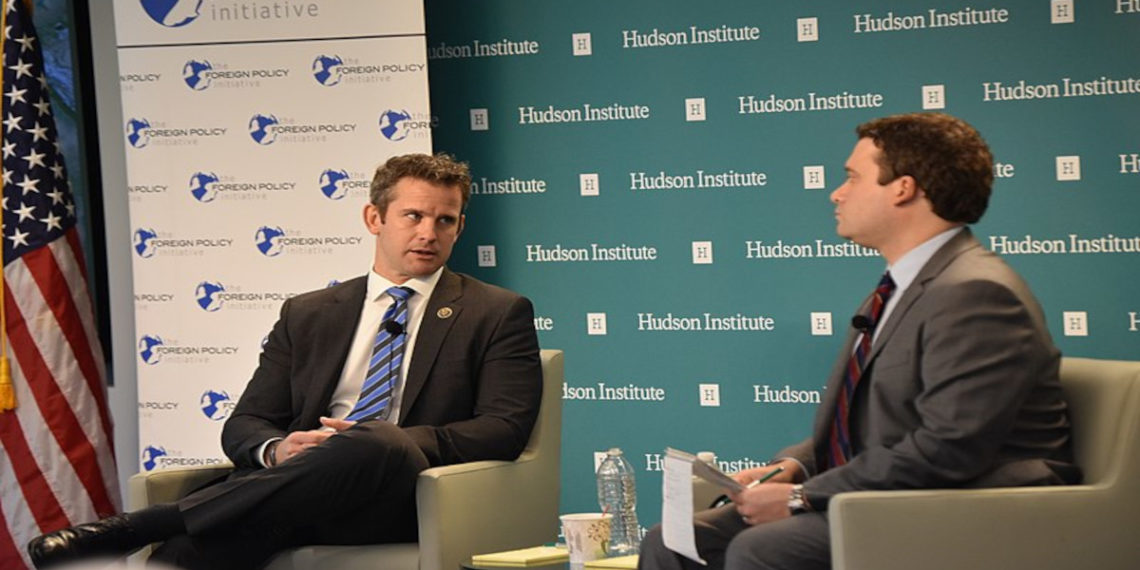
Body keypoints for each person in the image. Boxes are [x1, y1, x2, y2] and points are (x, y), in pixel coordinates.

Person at [28, 153, 543, 569]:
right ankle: (168, 531)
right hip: (299, 494)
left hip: (407, 498)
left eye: (444, 220)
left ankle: (137, 526)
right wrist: (277, 450)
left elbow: (503, 429)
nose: (429, 232)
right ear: (374, 218)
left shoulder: (496, 312)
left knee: (376, 441)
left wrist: (387, 441)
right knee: (188, 553)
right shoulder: (309, 313)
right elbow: (245, 424)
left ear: (459, 227)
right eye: (414, 215)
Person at [639, 113, 1080, 570]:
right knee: (671, 542)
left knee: (762, 549)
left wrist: (800, 497)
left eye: (852, 177)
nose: (837, 193)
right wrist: (798, 467)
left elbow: (949, 448)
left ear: (903, 189)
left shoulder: (975, 292)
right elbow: (873, 424)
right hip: (891, 494)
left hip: (965, 507)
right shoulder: (901, 288)